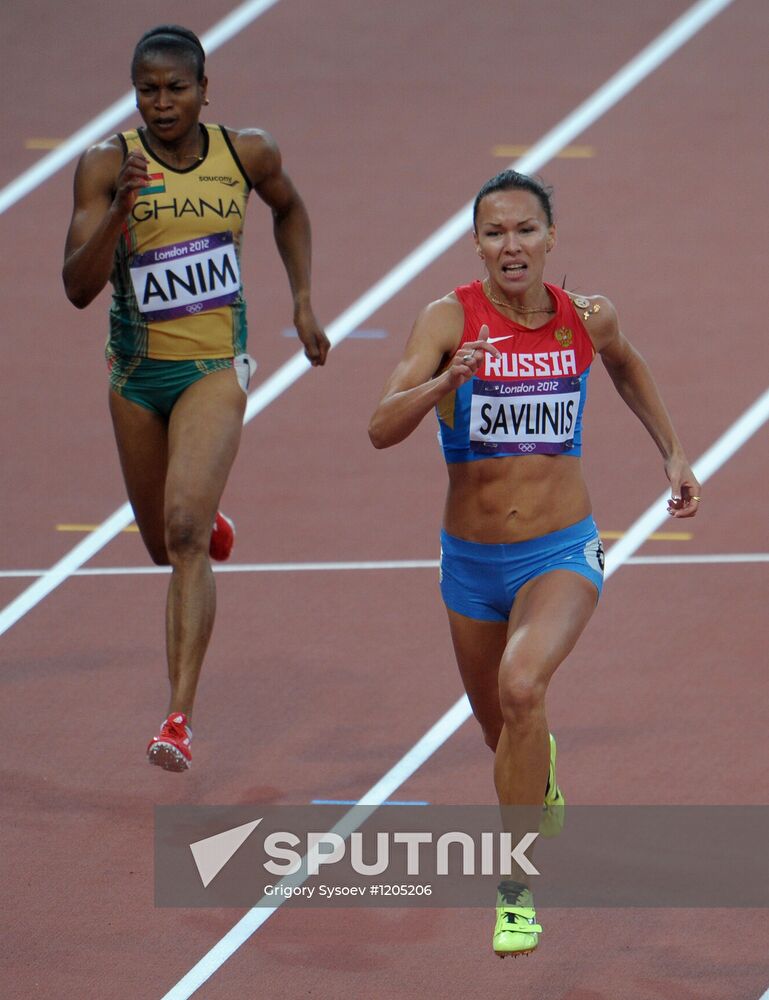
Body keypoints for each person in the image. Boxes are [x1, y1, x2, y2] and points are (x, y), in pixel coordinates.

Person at [368, 169, 700, 955]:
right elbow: (380, 427)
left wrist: (673, 452)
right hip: (469, 565)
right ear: (476, 244)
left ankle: (513, 892)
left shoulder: (587, 317)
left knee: (521, 686)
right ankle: (537, 767)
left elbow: (625, 364)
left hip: (560, 551)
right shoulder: (447, 319)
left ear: (550, 238)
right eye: (494, 232)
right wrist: (445, 380)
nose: (510, 245)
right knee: (504, 737)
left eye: (524, 230)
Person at [63, 25, 329, 772]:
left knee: (182, 537)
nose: (162, 103)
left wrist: (302, 301)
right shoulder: (106, 165)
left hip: (213, 368)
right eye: (148, 90)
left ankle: (177, 718)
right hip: (135, 377)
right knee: (162, 546)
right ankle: (204, 515)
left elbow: (289, 209)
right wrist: (119, 212)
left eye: (176, 88)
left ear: (204, 91)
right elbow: (77, 287)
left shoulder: (246, 154)